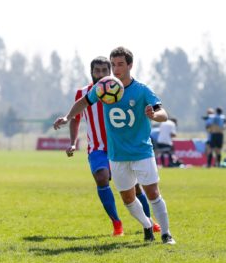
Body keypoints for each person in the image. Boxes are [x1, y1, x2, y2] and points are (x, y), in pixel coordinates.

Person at [54, 46, 175, 244]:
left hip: (142, 151)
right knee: (127, 198)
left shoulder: (142, 90)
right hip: (117, 154)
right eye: (113, 64)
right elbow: (83, 102)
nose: (116, 69)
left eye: (120, 64)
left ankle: (166, 234)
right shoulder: (103, 88)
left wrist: (154, 115)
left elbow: (163, 113)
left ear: (130, 65)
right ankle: (146, 225)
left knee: (153, 192)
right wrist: (68, 117)